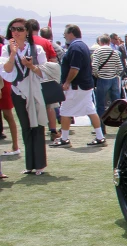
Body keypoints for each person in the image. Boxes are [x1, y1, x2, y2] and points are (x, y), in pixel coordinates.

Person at [0, 19, 48, 174]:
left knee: (38, 125)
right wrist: (13, 53)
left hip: (34, 91)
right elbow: (6, 70)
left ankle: (39, 164)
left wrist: (30, 66)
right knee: (26, 127)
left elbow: (45, 72)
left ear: (27, 31)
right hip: (17, 91)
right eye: (13, 29)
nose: (16, 32)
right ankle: (29, 165)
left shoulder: (37, 49)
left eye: (20, 29)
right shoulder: (7, 49)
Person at [51, 24, 106, 147]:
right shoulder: (82, 46)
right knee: (91, 110)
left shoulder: (75, 48)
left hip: (77, 86)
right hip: (84, 85)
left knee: (65, 110)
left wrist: (67, 82)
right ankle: (100, 137)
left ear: (71, 33)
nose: (64, 35)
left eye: (65, 33)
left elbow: (74, 68)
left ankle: (64, 139)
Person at [92, 34, 123, 133]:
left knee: (100, 105)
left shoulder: (98, 51)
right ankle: (122, 126)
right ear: (109, 42)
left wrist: (97, 75)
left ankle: (101, 128)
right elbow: (120, 68)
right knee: (117, 104)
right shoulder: (114, 52)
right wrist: (114, 74)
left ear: (100, 42)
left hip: (102, 79)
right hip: (113, 79)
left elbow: (94, 66)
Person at [0, 36, 21, 156]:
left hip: (4, 84)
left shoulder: (3, 48)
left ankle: (15, 146)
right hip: (5, 83)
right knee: (8, 116)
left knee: (8, 115)